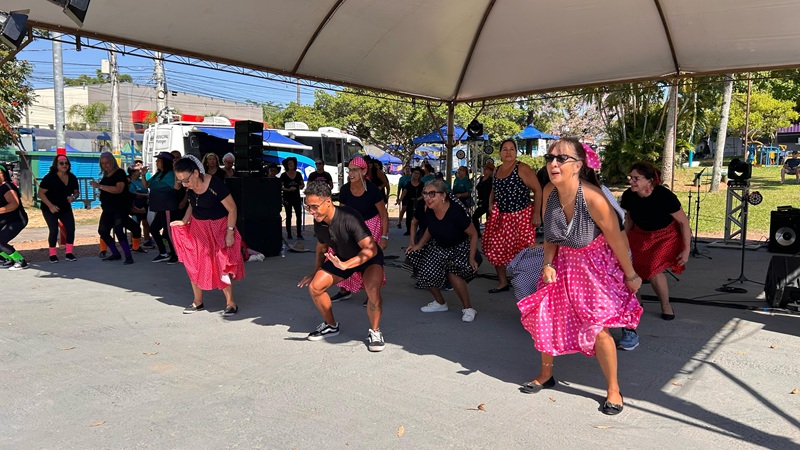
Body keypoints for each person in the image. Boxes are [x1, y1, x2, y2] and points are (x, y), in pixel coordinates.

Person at [516, 138, 642, 416]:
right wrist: (547, 264)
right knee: (546, 316)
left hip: (594, 265)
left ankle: (613, 390)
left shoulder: (594, 198)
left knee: (597, 327)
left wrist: (631, 274)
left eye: (561, 159)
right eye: (550, 158)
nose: (553, 163)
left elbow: (618, 239)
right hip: (563, 262)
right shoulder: (549, 191)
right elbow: (551, 235)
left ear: (578, 166)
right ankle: (545, 375)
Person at [297, 181, 386, 352]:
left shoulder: (349, 218)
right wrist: (314, 272)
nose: (312, 212)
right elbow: (321, 248)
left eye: (314, 207)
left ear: (328, 201)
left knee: (373, 290)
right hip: (341, 259)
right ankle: (331, 325)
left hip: (368, 260)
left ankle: (375, 331)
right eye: (308, 207)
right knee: (315, 287)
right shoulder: (319, 221)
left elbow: (371, 249)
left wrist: (347, 265)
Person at [170, 155, 244, 316]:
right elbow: (192, 205)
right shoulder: (189, 187)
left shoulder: (215, 184)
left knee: (221, 264)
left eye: (186, 180)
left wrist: (230, 232)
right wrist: (184, 221)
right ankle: (197, 302)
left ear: (196, 173)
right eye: (180, 181)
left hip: (219, 227)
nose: (184, 184)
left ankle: (231, 303)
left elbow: (232, 209)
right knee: (194, 263)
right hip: (198, 228)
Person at [620, 162, 691, 321]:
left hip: (665, 236)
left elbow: (683, 222)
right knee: (630, 266)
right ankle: (637, 302)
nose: (631, 181)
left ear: (649, 180)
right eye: (630, 177)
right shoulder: (629, 195)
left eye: (636, 178)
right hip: (640, 235)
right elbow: (629, 221)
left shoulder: (664, 196)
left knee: (653, 268)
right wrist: (621, 242)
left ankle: (665, 305)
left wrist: (686, 250)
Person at [405, 180, 480, 322]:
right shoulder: (427, 209)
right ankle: (440, 303)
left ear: (443, 196)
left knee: (453, 274)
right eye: (425, 193)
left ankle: (469, 308)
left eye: (432, 194)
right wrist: (419, 244)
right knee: (424, 269)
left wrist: (471, 258)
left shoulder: (455, 211)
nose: (427, 197)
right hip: (438, 246)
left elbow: (474, 234)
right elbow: (430, 228)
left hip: (459, 247)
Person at [483, 139, 543, 293]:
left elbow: (537, 190)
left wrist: (536, 213)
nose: (508, 152)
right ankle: (503, 282)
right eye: (505, 149)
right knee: (496, 248)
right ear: (500, 152)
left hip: (521, 216)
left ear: (516, 152)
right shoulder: (496, 170)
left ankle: (528, 283)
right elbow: (493, 190)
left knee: (524, 251)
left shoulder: (522, 168)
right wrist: (490, 204)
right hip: (502, 216)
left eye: (511, 149)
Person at [329, 156, 389, 303]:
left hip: (371, 227)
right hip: (351, 227)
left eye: (355, 170)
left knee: (370, 260)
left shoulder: (373, 190)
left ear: (364, 171)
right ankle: (344, 290)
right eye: (349, 170)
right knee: (341, 255)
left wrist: (384, 237)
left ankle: (371, 294)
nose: (351, 173)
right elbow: (341, 214)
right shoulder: (344, 190)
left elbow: (383, 214)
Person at [90, 152, 141, 265]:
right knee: (102, 231)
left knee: (118, 230)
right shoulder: (105, 175)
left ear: (112, 162)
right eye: (103, 163)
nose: (105, 165)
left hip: (119, 207)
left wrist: (100, 186)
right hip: (107, 208)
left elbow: (119, 189)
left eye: (107, 163)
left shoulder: (119, 173)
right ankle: (115, 253)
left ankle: (128, 255)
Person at [37, 155, 79, 263]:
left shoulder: (72, 177)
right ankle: (52, 254)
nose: (64, 165)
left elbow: (76, 191)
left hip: (65, 207)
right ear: (56, 165)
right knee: (54, 229)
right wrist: (50, 206)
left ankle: (69, 253)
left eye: (66, 163)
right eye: (61, 163)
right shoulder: (49, 178)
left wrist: (73, 197)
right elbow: (40, 193)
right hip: (49, 207)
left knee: (71, 228)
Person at [142, 152, 181, 264]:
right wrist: (143, 175)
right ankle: (163, 253)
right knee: (153, 229)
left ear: (165, 162)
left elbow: (177, 188)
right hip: (159, 208)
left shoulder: (170, 174)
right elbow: (146, 185)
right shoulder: (158, 174)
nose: (156, 162)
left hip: (167, 207)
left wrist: (176, 172)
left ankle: (176, 254)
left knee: (168, 232)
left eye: (159, 160)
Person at [0, 164, 28, 270]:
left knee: (1, 241)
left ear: (3, 174)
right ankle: (8, 259)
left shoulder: (7, 187)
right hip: (6, 220)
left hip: (17, 220)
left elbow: (14, 204)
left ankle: (20, 261)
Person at [280, 156, 305, 240]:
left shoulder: (298, 174)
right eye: (289, 163)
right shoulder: (283, 175)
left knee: (299, 215)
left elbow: (302, 184)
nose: (291, 165)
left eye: (292, 163)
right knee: (288, 215)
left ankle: (299, 233)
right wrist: (288, 189)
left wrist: (299, 187)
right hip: (287, 197)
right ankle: (289, 233)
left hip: (296, 197)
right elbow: (280, 187)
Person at [472, 160, 494, 238]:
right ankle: (478, 232)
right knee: (475, 216)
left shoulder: (491, 180)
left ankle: (489, 234)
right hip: (481, 201)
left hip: (488, 201)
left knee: (489, 218)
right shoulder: (481, 178)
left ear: (491, 171)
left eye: (486, 169)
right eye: (484, 169)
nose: (484, 170)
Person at [400, 167, 424, 234]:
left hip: (419, 202)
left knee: (419, 216)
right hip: (410, 202)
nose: (416, 175)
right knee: (409, 216)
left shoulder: (422, 184)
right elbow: (404, 192)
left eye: (418, 173)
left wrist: (417, 199)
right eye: (415, 173)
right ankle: (409, 230)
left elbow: (424, 194)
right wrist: (400, 200)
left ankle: (420, 230)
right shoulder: (409, 183)